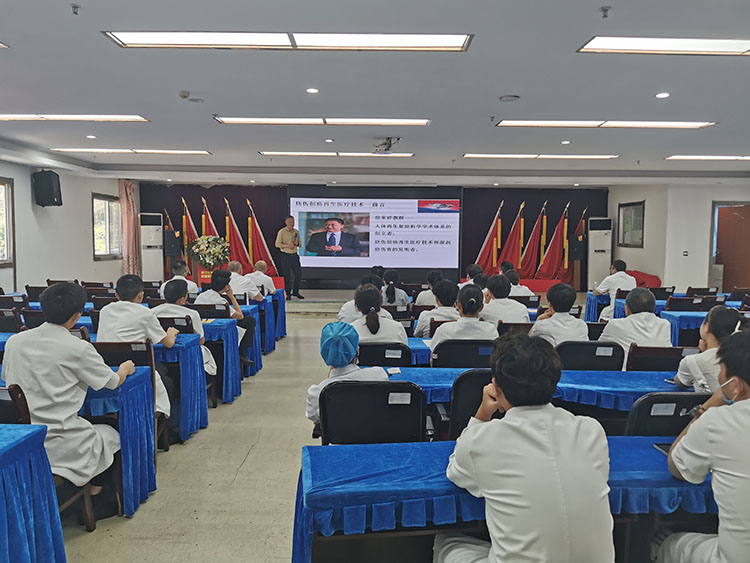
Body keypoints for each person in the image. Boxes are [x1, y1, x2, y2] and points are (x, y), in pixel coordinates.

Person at [434, 332, 615, 563]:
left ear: (496, 386)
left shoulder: (482, 441)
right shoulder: (591, 430)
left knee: (447, 542)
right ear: (555, 382)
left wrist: (482, 413)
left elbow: (456, 472)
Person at [3, 283, 136, 505]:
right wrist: (124, 369)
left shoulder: (14, 342)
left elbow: (8, 380)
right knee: (113, 433)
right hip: (61, 438)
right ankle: (96, 499)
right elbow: (111, 383)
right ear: (77, 316)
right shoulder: (78, 347)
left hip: (21, 438)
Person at [657, 330, 750, 563]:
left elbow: (677, 467)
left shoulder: (718, 421)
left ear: (736, 385)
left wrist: (708, 406)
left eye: (721, 370)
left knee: (666, 542)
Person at [97, 274, 178, 417]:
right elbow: (168, 343)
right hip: (136, 367)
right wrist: (171, 332)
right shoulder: (145, 313)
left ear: (116, 295)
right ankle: (162, 423)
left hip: (108, 365)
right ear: (141, 295)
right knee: (166, 375)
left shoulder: (105, 310)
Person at [305, 322, 388, 423]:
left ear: (324, 353)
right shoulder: (378, 376)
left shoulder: (317, 393)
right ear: (357, 350)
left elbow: (317, 421)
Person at [152, 279, 217, 377]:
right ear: (182, 299)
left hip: (159, 354)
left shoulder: (152, 312)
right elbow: (200, 340)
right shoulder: (192, 314)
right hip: (187, 355)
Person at [195, 269, 257, 366]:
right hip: (222, 331)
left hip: (203, 329)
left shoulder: (200, 296)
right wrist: (231, 296)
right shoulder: (221, 302)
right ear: (226, 286)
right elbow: (240, 316)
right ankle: (242, 352)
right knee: (249, 320)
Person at [673, 305, 740, 392]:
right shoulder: (743, 355)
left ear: (707, 327)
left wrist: (703, 354)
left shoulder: (691, 361)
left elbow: (680, 383)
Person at [598, 288, 672, 364]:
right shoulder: (665, 324)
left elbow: (598, 350)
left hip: (627, 371)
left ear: (627, 309)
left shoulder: (615, 325)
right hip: (661, 370)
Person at [429, 284, 498, 352]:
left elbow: (433, 356)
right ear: (481, 308)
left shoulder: (444, 330)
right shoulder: (491, 330)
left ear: (458, 305)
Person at [531, 283, 589, 347]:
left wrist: (538, 319)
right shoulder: (582, 325)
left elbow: (528, 344)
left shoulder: (541, 325)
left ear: (549, 304)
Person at [275, 215, 304, 300]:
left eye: (293, 221)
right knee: (287, 276)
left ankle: (295, 292)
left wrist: (297, 244)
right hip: (286, 256)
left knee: (298, 275)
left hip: (294, 255)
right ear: (286, 222)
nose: (292, 223)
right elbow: (277, 244)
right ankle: (288, 293)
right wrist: (287, 245)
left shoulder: (296, 232)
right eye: (290, 222)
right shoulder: (282, 232)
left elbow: (300, 244)